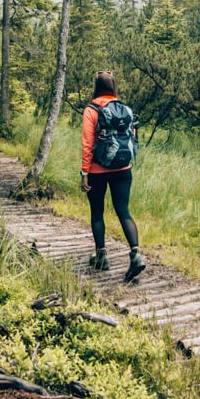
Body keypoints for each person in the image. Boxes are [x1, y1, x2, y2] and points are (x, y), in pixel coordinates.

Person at [80, 71, 145, 282]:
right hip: (123, 168)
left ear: (96, 86)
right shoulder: (125, 109)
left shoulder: (91, 109)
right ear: (114, 86)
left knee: (97, 212)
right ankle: (136, 254)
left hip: (98, 170)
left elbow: (88, 144)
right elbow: (131, 138)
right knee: (124, 211)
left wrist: (85, 173)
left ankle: (101, 257)